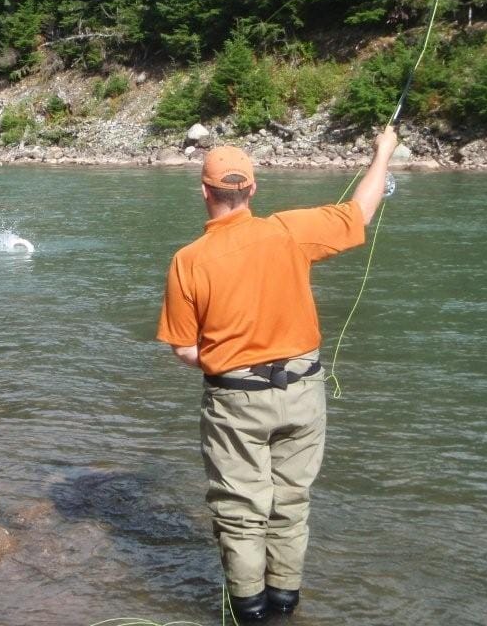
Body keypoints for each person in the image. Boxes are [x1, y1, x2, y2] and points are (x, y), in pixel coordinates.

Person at [156, 126, 399, 621]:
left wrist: (229, 364)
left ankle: (248, 611)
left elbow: (184, 349)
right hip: (304, 391)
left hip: (236, 400)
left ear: (204, 192)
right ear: (252, 190)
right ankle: (285, 604)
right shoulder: (289, 230)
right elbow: (361, 212)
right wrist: (382, 153)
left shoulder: (188, 261)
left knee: (242, 514)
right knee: (291, 503)